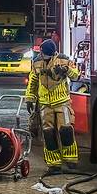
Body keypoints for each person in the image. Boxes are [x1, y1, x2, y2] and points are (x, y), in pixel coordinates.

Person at [23, 39, 80, 174]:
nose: (41, 54)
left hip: (62, 102)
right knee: (48, 134)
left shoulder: (64, 60)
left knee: (66, 130)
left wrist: (66, 70)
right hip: (45, 104)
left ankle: (71, 160)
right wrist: (30, 98)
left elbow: (76, 75)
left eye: (43, 52)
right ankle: (54, 164)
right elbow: (33, 81)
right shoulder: (37, 62)